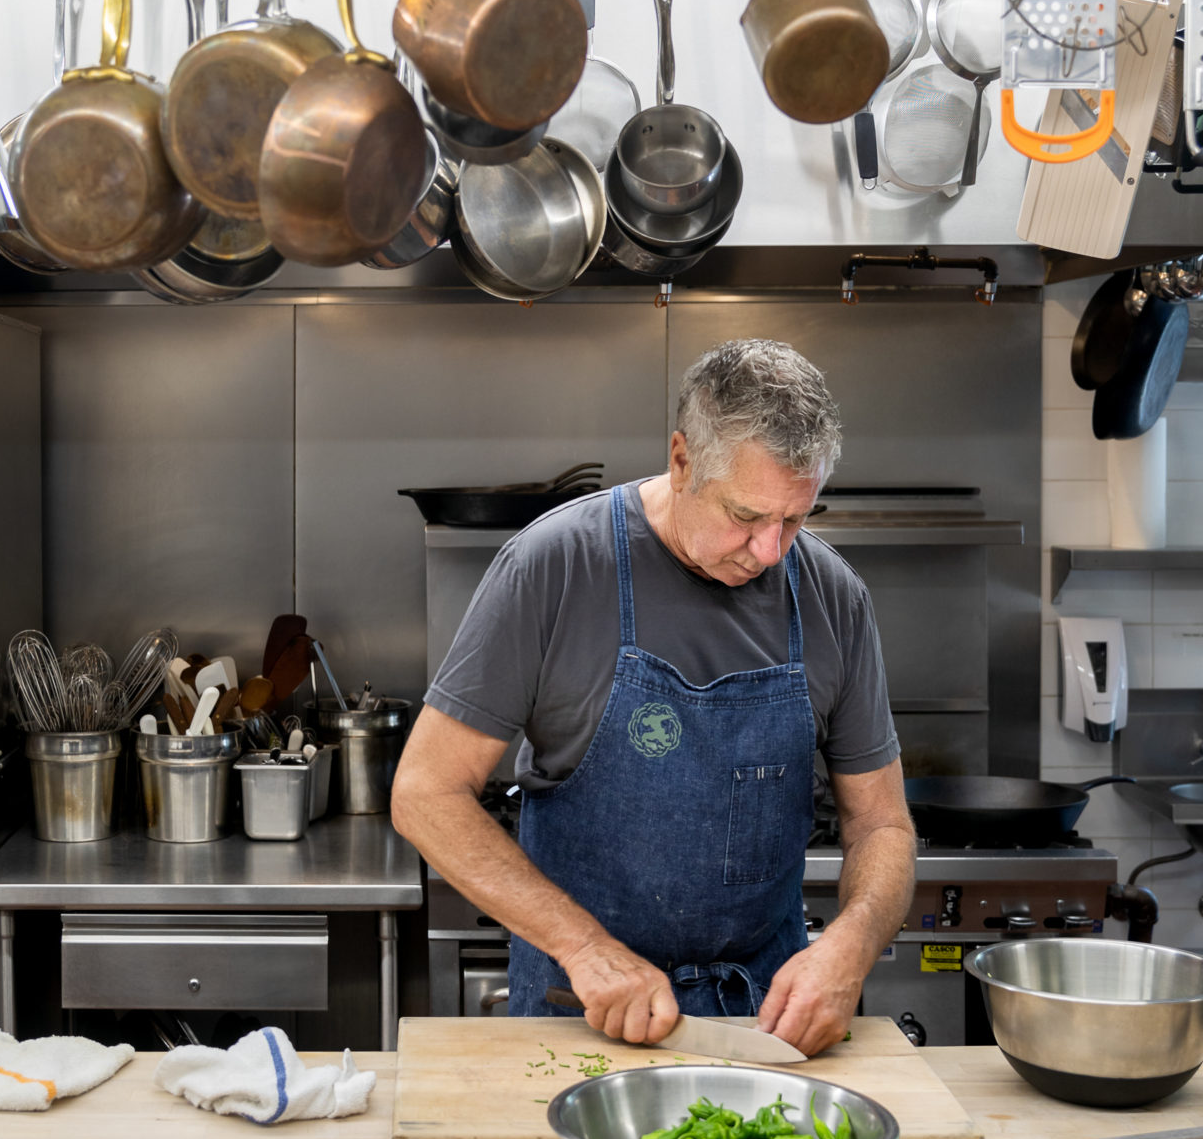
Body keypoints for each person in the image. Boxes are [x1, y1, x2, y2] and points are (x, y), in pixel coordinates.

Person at [392, 338, 917, 1056]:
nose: (770, 552)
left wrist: (850, 947)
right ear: (681, 460)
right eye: (745, 516)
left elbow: (883, 824)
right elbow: (425, 792)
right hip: (585, 1014)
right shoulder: (557, 568)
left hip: (764, 1025)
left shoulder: (833, 598)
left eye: (793, 520)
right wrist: (585, 948)